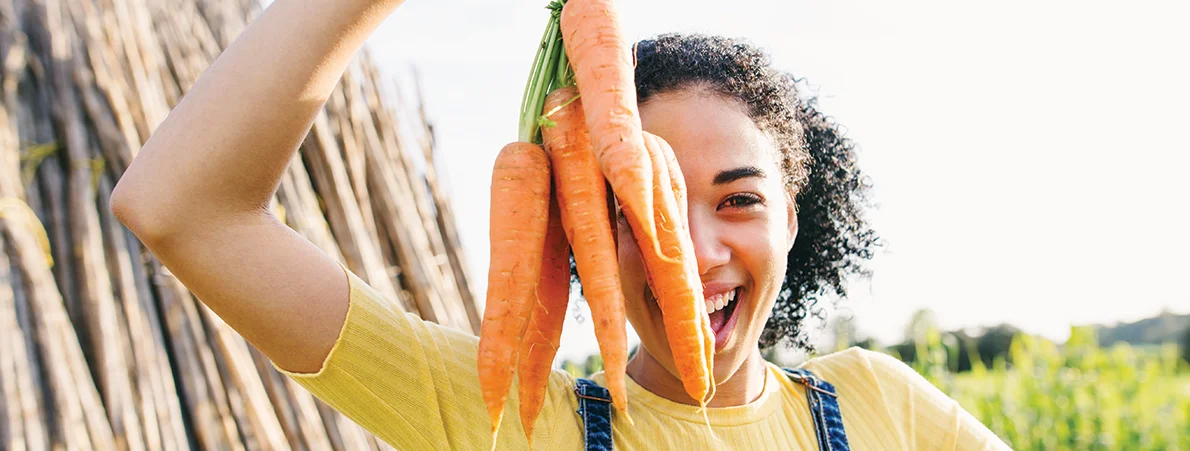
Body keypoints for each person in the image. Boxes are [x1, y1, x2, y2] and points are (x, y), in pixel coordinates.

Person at [111, 0, 1009, 449]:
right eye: (636, 208)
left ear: (793, 220)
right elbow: (181, 209)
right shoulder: (507, 418)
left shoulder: (883, 407)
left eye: (738, 199)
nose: (694, 252)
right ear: (577, 235)